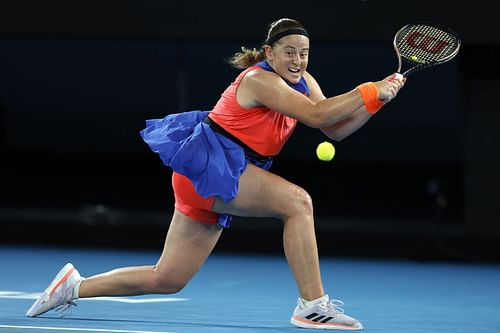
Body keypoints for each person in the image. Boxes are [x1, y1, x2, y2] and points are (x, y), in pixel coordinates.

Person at [26, 18, 405, 330]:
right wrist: (371, 90)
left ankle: (73, 287)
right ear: (269, 52)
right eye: (289, 52)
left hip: (221, 173)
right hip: (213, 166)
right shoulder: (260, 80)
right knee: (297, 202)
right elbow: (319, 115)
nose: (297, 60)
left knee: (168, 278)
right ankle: (312, 305)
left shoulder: (304, 81)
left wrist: (377, 102)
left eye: (304, 54)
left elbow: (334, 128)